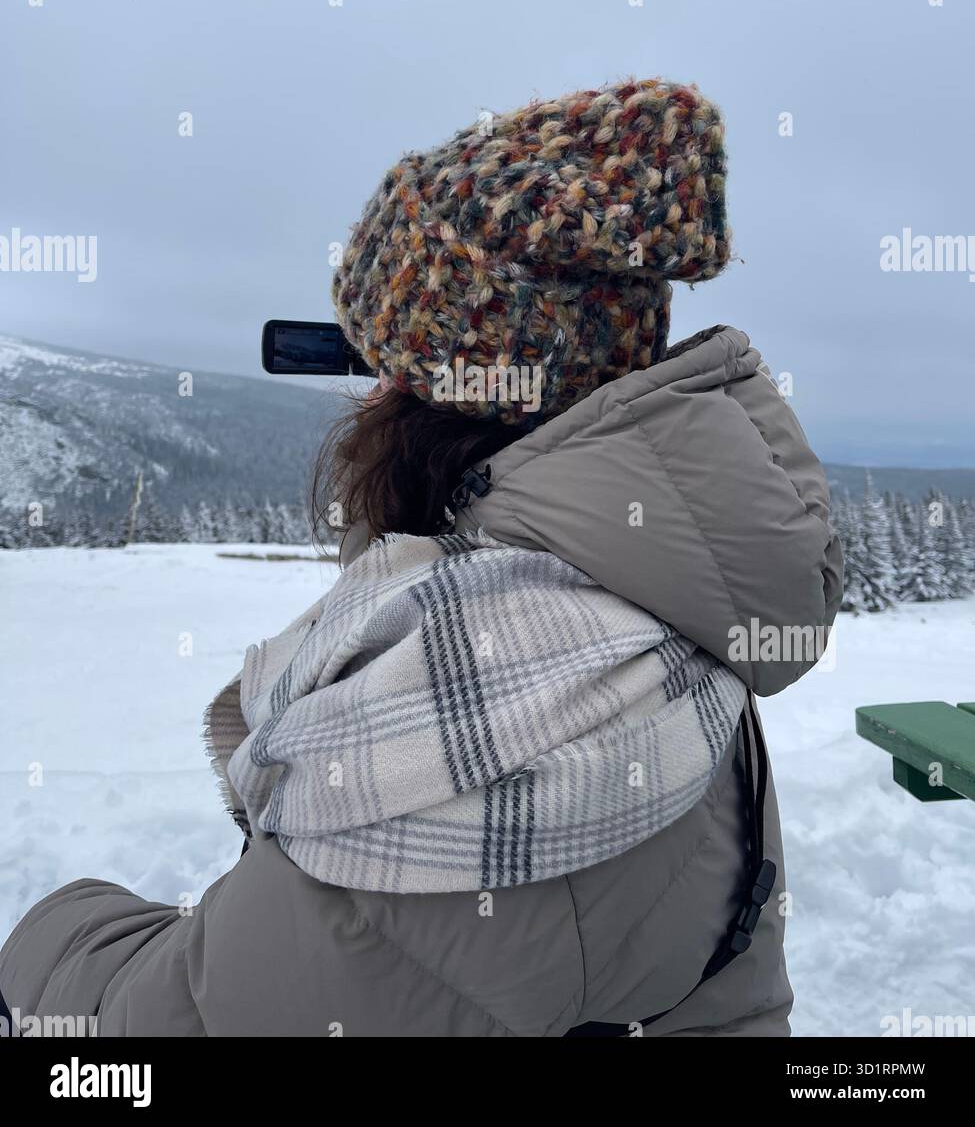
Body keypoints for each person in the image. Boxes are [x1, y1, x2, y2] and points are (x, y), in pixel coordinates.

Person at [0, 79, 842, 1036]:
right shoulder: (648, 592)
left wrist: (48, 934)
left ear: (431, 406)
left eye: (387, 368)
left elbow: (166, 1027)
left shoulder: (488, 703)